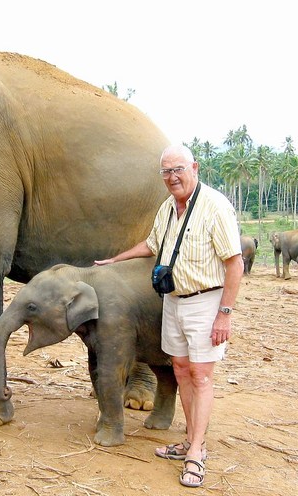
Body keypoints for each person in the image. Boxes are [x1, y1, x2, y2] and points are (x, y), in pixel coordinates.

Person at [95, 144, 243, 488]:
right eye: (166, 171)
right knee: (180, 369)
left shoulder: (215, 207)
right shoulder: (168, 207)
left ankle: (195, 453)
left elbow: (234, 264)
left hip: (206, 301)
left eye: (178, 169)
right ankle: (192, 439)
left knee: (201, 375)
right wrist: (114, 261)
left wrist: (224, 314)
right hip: (173, 300)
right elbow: (151, 244)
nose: (172, 177)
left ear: (194, 167)